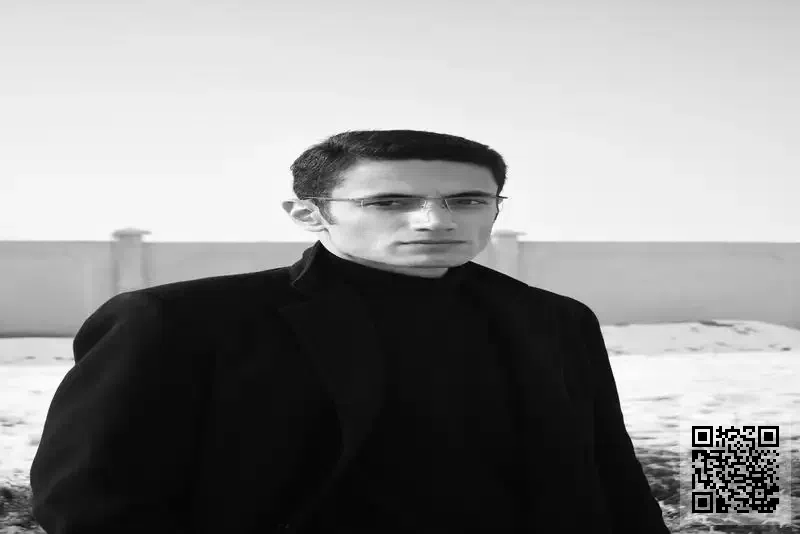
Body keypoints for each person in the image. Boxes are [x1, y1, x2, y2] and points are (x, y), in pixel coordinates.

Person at [29, 129, 670, 533]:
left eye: (468, 200)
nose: (434, 221)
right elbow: (92, 501)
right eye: (389, 202)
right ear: (308, 214)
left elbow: (611, 471)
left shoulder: (555, 318)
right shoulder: (178, 321)